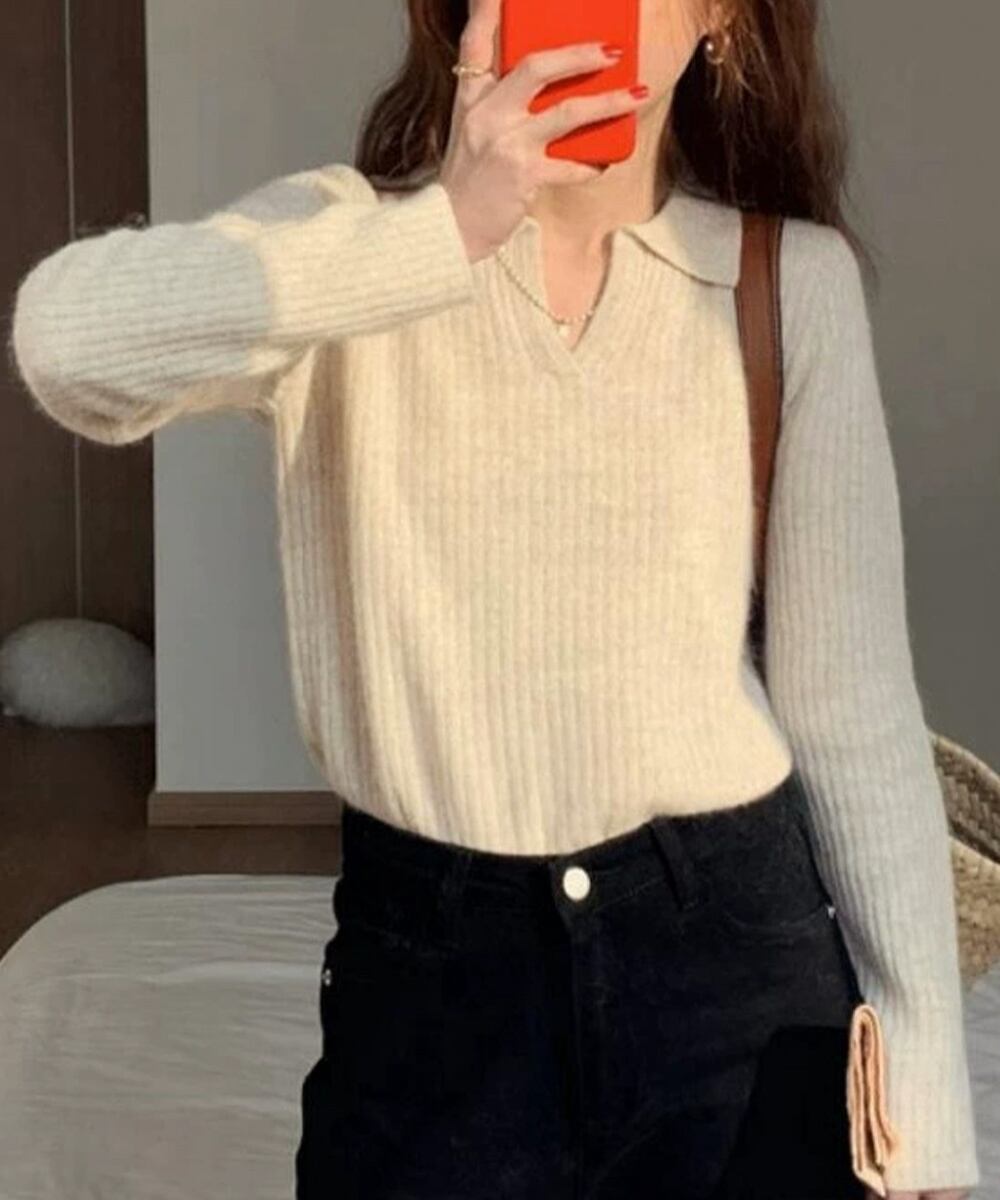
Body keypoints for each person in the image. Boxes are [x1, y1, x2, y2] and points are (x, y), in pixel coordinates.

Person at [7, 0, 979, 1197]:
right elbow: (66, 342)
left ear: (720, 18)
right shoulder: (356, 245)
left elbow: (851, 708)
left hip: (738, 963)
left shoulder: (785, 283)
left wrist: (924, 1110)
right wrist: (448, 229)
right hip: (430, 981)